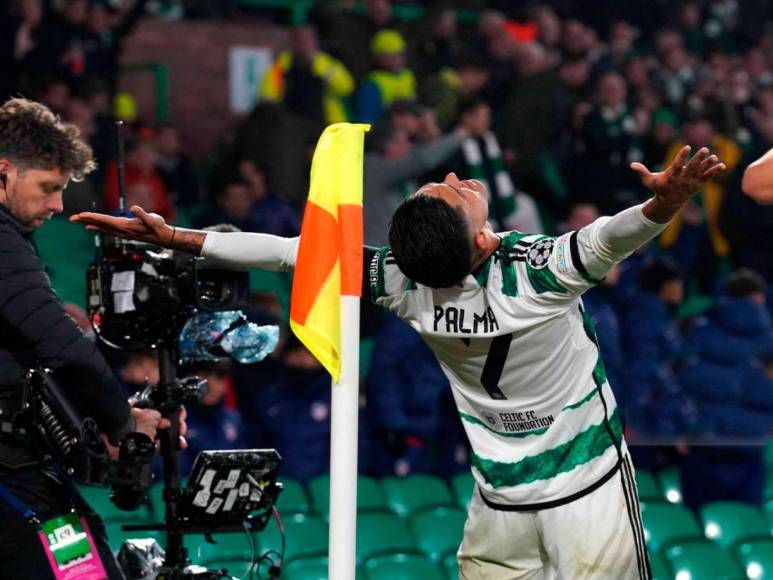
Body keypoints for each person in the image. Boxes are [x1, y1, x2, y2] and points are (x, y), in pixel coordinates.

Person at [72, 142, 726, 579]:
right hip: (586, 487)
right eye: (453, 192)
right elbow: (616, 234)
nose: (455, 178)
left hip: (498, 501)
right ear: (479, 239)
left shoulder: (401, 282)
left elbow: (289, 253)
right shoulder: (539, 271)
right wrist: (666, 201)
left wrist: (179, 238)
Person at [0, 97, 185, 578]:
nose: (58, 206)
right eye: (48, 188)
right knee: (84, 567)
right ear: (4, 172)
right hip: (12, 477)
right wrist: (122, 425)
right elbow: (61, 348)